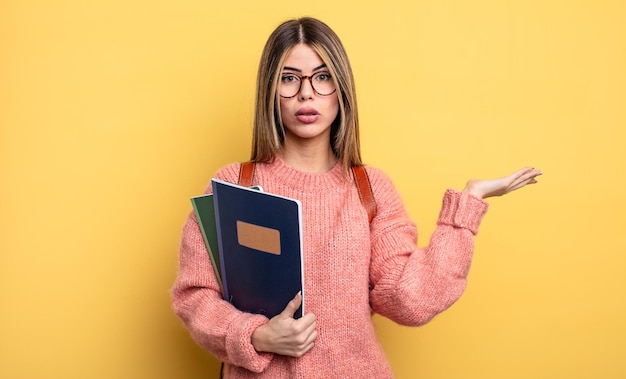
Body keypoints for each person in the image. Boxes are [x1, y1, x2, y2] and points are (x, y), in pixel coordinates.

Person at [172, 17, 542, 378]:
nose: (306, 93)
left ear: (341, 89)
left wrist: (465, 209)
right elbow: (195, 296)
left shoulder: (371, 190)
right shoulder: (233, 184)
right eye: (289, 78)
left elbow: (410, 300)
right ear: (270, 89)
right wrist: (255, 335)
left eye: (322, 77)